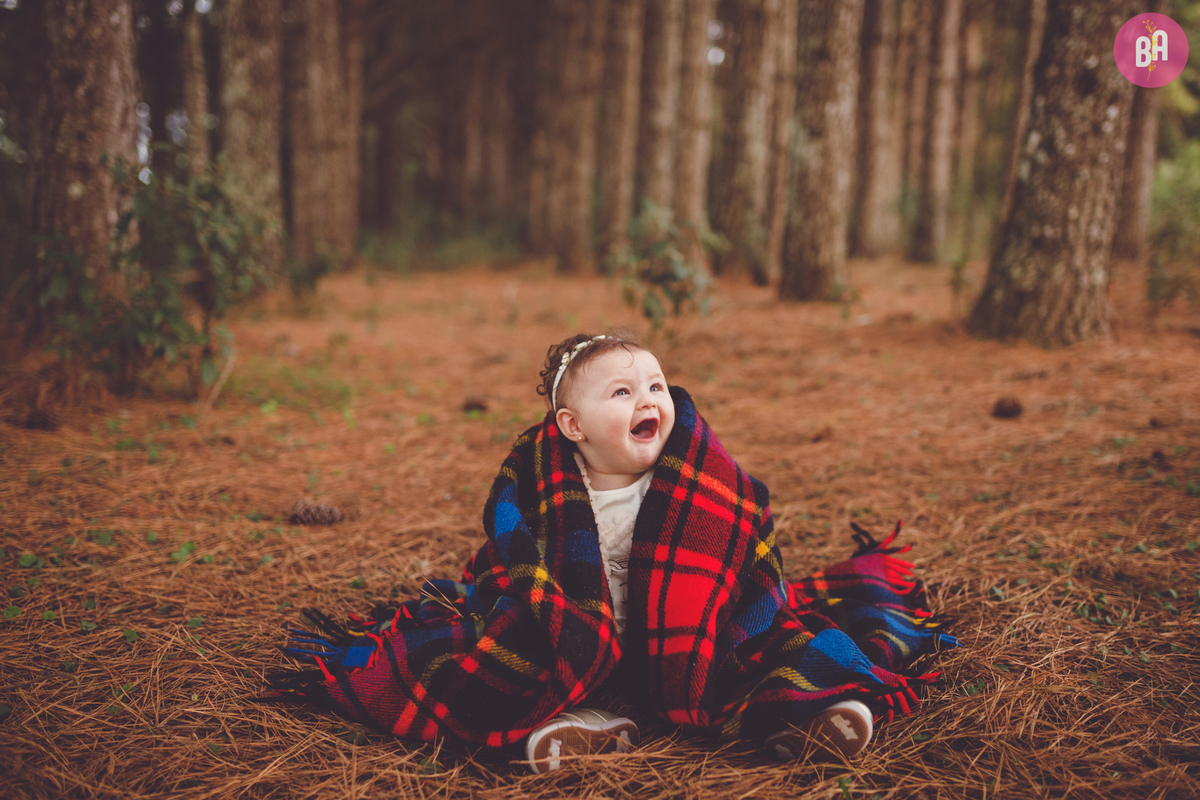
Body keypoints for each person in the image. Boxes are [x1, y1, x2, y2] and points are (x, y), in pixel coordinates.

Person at [270, 331, 957, 773]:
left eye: (655, 386)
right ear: (572, 426)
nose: (648, 399)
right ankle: (580, 730)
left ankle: (810, 717)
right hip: (589, 643)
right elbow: (520, 571)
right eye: (622, 392)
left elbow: (740, 543)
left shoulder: (693, 482)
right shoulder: (548, 495)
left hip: (695, 641)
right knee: (538, 670)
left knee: (769, 657)